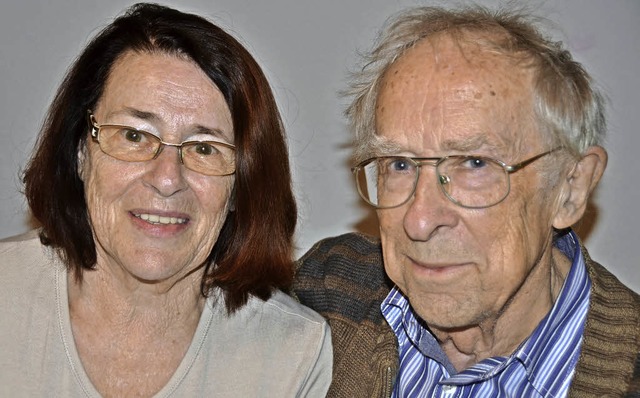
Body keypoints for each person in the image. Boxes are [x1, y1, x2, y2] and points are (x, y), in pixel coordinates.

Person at [294, 5, 639, 397]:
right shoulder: (330, 291)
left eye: (474, 163)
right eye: (400, 164)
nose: (419, 221)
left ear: (570, 187)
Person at [0, 3, 331, 397]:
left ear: (241, 188)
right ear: (80, 153)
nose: (167, 179)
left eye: (205, 149)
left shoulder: (294, 356)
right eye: (134, 135)